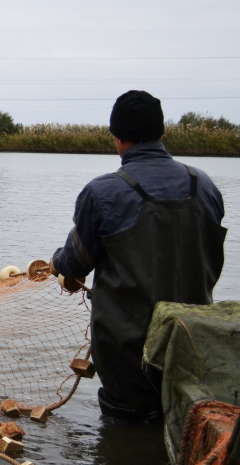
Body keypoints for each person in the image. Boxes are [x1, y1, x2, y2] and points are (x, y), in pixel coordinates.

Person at [50, 90, 226, 420]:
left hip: (127, 356)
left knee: (126, 431)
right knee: (185, 425)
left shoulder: (102, 192)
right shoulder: (204, 185)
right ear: (161, 133)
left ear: (116, 137)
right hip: (194, 344)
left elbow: (73, 264)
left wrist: (55, 263)